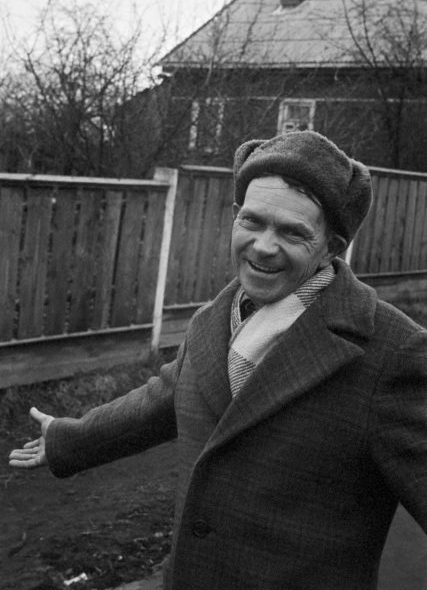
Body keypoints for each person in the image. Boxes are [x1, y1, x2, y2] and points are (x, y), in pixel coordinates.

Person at [9, 131, 427, 590]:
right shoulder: (214, 320)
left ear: (331, 246)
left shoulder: (393, 353)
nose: (263, 246)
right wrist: (68, 440)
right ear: (235, 217)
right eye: (253, 221)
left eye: (292, 232)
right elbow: (161, 401)